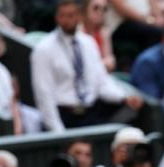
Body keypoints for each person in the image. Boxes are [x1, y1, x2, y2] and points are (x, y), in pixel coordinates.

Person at [31, 0, 143, 131]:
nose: (67, 20)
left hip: (90, 113)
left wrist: (124, 97)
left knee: (128, 112)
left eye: (72, 15)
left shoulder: (88, 43)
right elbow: (44, 96)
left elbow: (102, 82)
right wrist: (59, 132)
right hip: (64, 115)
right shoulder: (44, 49)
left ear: (80, 15)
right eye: (63, 15)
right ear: (57, 17)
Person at [107, 0, 164, 69]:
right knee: (155, 33)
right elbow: (124, 10)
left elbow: (153, 4)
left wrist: (159, 18)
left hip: (146, 23)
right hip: (121, 25)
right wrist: (149, 21)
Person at [82, 0, 116, 72]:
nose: (100, 12)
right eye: (95, 8)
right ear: (85, 9)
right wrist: (103, 64)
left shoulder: (104, 33)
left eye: (104, 9)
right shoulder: (78, 31)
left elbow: (110, 62)